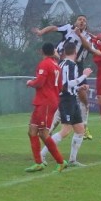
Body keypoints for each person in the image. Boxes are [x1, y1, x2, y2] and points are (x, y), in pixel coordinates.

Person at [32, 14, 95, 140]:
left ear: (86, 24)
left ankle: (84, 125)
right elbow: (53, 28)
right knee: (62, 93)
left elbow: (91, 49)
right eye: (80, 19)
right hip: (64, 62)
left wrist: (82, 37)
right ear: (75, 22)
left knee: (82, 95)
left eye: (84, 20)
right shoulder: (68, 28)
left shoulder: (88, 37)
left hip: (78, 64)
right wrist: (41, 32)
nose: (82, 21)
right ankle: (49, 128)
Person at [40, 41, 93, 166]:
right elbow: (66, 84)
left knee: (80, 130)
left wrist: (79, 88)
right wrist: (84, 76)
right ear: (75, 52)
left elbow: (65, 85)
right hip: (66, 100)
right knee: (66, 130)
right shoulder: (70, 65)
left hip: (71, 98)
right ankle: (41, 154)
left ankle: (73, 160)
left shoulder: (61, 63)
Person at [25, 42, 67, 173]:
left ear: (42, 51)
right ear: (53, 52)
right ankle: (38, 163)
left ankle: (61, 162)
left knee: (43, 133)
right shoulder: (56, 66)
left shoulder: (45, 64)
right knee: (32, 131)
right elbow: (60, 87)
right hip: (43, 101)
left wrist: (30, 82)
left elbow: (39, 82)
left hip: (46, 102)